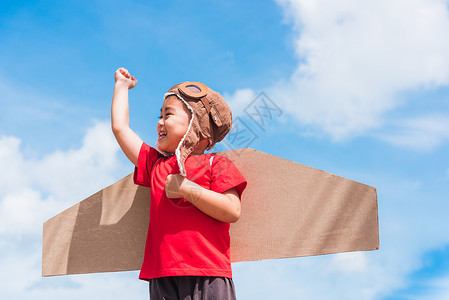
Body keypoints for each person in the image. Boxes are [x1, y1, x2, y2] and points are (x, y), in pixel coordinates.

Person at [111, 67, 247, 299]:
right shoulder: (155, 164)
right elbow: (120, 129)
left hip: (209, 273)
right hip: (163, 275)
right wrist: (121, 87)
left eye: (168, 115)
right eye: (160, 116)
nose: (160, 122)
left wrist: (187, 189)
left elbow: (232, 210)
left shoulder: (216, 163)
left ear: (197, 127)